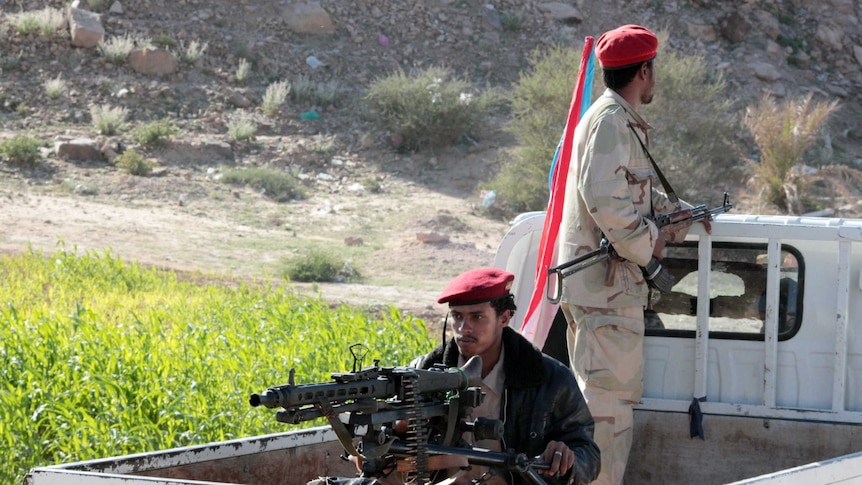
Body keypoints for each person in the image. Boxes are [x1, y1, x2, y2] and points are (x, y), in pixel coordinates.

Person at [556, 25, 710, 485]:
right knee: (606, 419)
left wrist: (672, 212)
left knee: (609, 411)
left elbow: (626, 194)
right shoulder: (609, 122)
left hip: (608, 292)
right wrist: (651, 248)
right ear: (644, 71)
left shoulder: (617, 121)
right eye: (653, 69)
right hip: (605, 293)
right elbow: (606, 204)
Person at [412, 267, 600, 485]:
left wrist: (567, 460)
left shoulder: (550, 378)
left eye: (477, 317)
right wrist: (401, 427)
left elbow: (589, 456)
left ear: (503, 318)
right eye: (457, 316)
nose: (464, 328)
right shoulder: (423, 373)